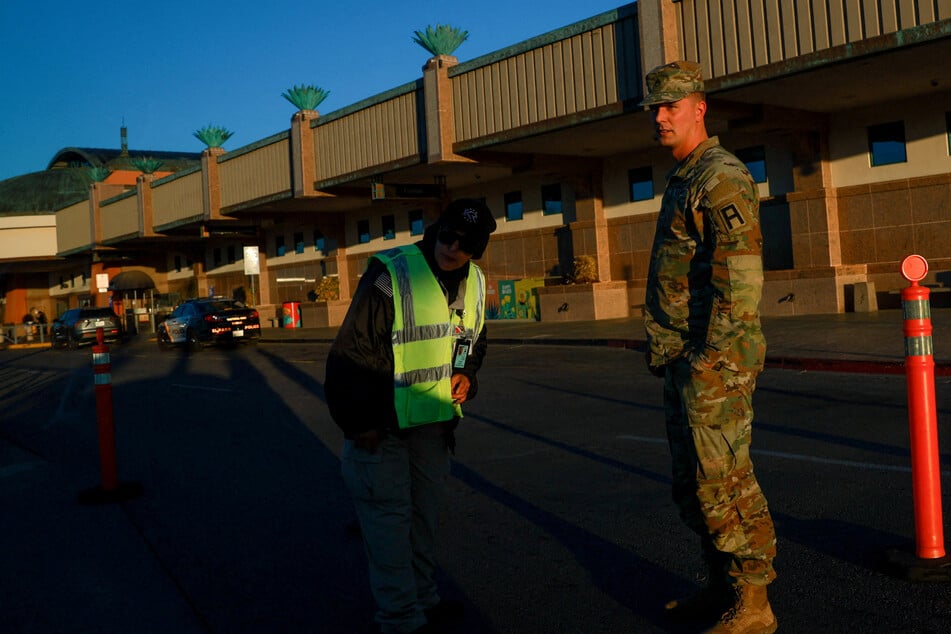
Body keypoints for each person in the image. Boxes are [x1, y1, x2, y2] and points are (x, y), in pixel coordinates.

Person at [640, 60, 778, 634]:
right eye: (655, 106)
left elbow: (740, 282)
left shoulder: (720, 176)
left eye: (672, 104)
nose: (661, 115)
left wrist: (708, 359)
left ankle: (754, 605)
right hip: (685, 360)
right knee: (692, 483)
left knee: (726, 482)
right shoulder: (684, 177)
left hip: (713, 363)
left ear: (701, 107)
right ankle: (722, 587)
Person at [326, 198, 497, 634]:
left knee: (423, 519)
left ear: (478, 250)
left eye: (465, 243)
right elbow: (352, 351)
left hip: (433, 425)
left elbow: (472, 342)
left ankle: (424, 600)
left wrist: (466, 377)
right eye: (448, 236)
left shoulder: (475, 282)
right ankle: (400, 619)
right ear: (437, 230)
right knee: (388, 525)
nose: (453, 248)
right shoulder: (391, 273)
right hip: (380, 427)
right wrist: (359, 423)